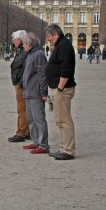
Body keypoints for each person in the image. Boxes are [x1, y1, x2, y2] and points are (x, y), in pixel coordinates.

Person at [45, 24, 77, 160]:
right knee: (60, 121)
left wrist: (59, 88)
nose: (48, 40)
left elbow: (66, 69)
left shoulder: (64, 46)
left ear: (55, 34)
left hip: (62, 90)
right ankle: (63, 148)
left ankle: (68, 151)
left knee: (64, 121)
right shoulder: (61, 44)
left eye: (49, 37)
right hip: (59, 89)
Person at [20, 32, 49, 154]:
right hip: (28, 92)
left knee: (39, 119)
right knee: (30, 119)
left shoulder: (39, 55)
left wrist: (43, 92)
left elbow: (42, 75)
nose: (23, 46)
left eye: (24, 44)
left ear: (30, 44)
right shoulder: (30, 54)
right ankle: (36, 141)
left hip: (36, 93)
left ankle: (43, 145)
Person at [8, 30, 30, 143]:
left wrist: (21, 82)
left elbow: (26, 68)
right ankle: (26, 131)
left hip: (21, 84)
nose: (13, 41)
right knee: (24, 109)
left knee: (21, 109)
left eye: (14, 39)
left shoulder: (24, 51)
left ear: (20, 40)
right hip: (20, 82)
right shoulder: (21, 50)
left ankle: (21, 133)